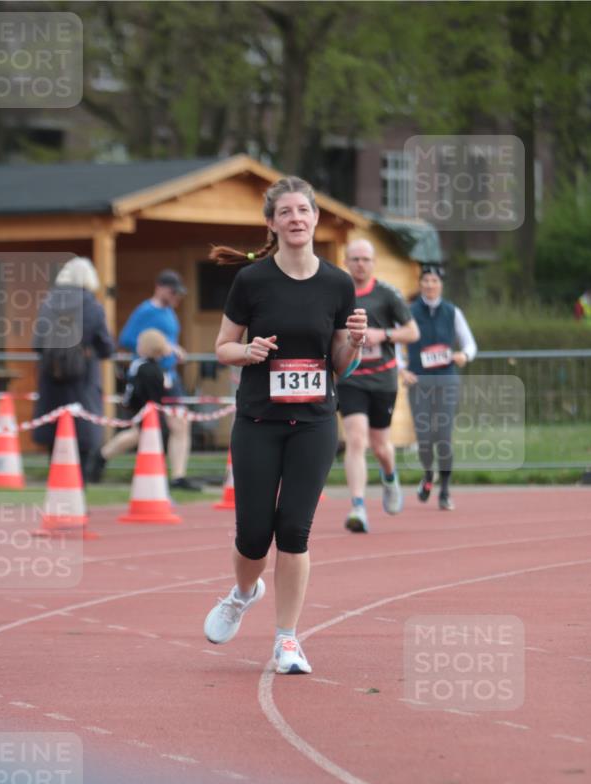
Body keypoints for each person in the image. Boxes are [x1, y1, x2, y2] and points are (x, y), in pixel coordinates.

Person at [202, 176, 367, 675]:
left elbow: (338, 364)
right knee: (253, 534)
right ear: (272, 223)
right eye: (286, 212)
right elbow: (222, 346)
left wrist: (355, 345)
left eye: (304, 210)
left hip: (314, 422)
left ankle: (287, 640)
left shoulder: (338, 283)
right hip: (257, 420)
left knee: (294, 530)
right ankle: (243, 593)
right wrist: (247, 352)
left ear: (316, 218)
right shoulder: (252, 281)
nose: (296, 218)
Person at [337, 239, 420, 533]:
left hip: (382, 379)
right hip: (351, 378)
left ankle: (389, 477)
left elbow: (412, 332)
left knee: (381, 446)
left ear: (373, 263)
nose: (360, 264)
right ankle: (358, 506)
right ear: (346, 261)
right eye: (355, 259)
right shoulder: (338, 293)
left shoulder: (387, 294)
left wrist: (381, 334)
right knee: (356, 440)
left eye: (366, 259)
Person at [402, 265, 477, 511]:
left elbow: (469, 344)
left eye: (434, 281)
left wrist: (464, 355)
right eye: (426, 281)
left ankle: (444, 490)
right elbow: (394, 346)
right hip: (420, 382)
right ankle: (427, 475)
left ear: (441, 285)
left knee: (443, 437)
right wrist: (402, 369)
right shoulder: (409, 312)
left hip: (446, 381)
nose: (430, 285)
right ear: (420, 284)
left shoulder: (452, 312)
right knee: (424, 438)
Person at [32, 257, 114, 481]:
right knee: (82, 437)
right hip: (83, 381)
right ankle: (78, 492)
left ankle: (56, 489)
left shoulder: (48, 303)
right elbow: (107, 347)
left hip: (51, 380)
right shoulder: (93, 306)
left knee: (55, 437)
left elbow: (37, 343)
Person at [118, 270, 200, 490]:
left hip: (170, 376)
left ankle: (178, 476)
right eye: (173, 292)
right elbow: (126, 339)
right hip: (150, 377)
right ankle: (102, 456)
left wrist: (172, 348)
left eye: (178, 293)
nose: (176, 297)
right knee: (142, 428)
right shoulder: (145, 311)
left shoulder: (170, 312)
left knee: (180, 424)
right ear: (160, 287)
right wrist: (162, 346)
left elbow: (169, 340)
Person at [87, 328, 173, 480]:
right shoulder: (144, 367)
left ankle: (104, 459)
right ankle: (101, 458)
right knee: (139, 436)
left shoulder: (148, 367)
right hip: (143, 410)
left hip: (146, 409)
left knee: (142, 437)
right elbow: (137, 390)